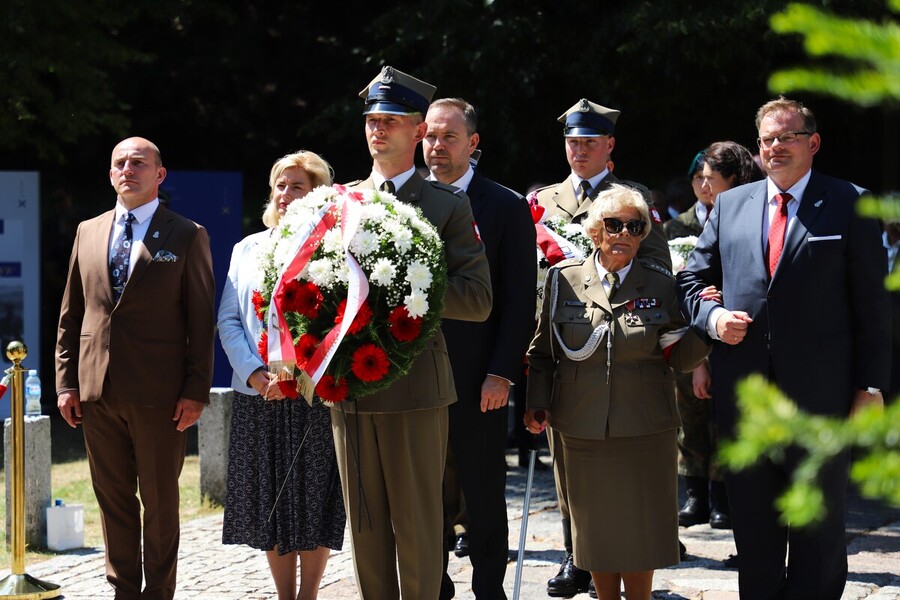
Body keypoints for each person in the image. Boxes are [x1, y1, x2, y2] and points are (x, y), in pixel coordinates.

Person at [677, 97, 891, 599]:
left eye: (787, 136)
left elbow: (875, 310)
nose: (775, 146)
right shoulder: (731, 204)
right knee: (754, 533)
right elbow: (690, 279)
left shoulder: (851, 202)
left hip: (821, 403)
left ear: (812, 143)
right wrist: (712, 317)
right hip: (746, 400)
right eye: (767, 138)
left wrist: (871, 386)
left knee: (816, 532)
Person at [331, 66, 493, 599]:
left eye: (392, 121)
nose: (378, 130)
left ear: (418, 131)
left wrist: (411, 284)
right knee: (366, 527)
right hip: (350, 389)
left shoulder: (447, 205)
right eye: (372, 120)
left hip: (417, 387)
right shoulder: (339, 203)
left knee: (421, 527)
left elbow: (478, 298)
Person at [525, 184, 709, 600]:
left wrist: (705, 324)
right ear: (595, 230)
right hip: (583, 425)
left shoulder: (662, 284)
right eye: (614, 224)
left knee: (641, 528)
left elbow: (679, 357)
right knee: (595, 529)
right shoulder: (564, 280)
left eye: (634, 226)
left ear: (644, 233)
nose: (623, 233)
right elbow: (543, 352)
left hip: (646, 427)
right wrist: (536, 404)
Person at [55, 137, 216, 600]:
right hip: (96, 392)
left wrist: (196, 390)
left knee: (161, 504)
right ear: (110, 175)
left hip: (161, 396)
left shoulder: (187, 234)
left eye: (139, 163)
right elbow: (71, 313)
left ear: (159, 175)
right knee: (113, 501)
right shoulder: (88, 230)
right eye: (120, 163)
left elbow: (200, 321)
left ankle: (159, 592)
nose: (129, 169)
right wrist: (67, 383)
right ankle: (123, 590)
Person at [531, 98, 673, 597]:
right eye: (573, 141)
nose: (580, 149)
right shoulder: (542, 202)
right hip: (561, 343)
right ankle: (579, 552)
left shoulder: (632, 202)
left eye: (590, 141)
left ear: (609, 145)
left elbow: (658, 273)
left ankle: (606, 559)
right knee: (572, 464)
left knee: (622, 477)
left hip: (623, 345)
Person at [217, 150, 345, 600]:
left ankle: (308, 595)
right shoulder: (247, 248)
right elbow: (229, 320)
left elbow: (342, 320)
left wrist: (302, 375)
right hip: (259, 395)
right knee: (269, 502)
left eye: (299, 186)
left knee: (313, 503)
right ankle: (284, 596)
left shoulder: (337, 248)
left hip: (313, 395)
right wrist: (254, 375)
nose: (287, 195)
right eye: (281, 185)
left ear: (319, 195)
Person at [423, 97, 537, 599]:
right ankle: (435, 585)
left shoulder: (506, 206)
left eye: (448, 136)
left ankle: (490, 589)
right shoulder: (401, 203)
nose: (436, 146)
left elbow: (517, 301)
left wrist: (502, 372)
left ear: (473, 142)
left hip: (479, 379)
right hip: (415, 376)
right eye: (429, 135)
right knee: (424, 493)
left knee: (483, 493)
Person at [664, 142, 762, 531]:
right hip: (690, 333)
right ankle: (695, 495)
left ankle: (724, 499)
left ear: (733, 181)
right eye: (698, 178)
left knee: (726, 422)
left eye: (711, 178)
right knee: (689, 416)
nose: (704, 186)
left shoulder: (748, 217)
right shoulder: (676, 227)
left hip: (732, 332)